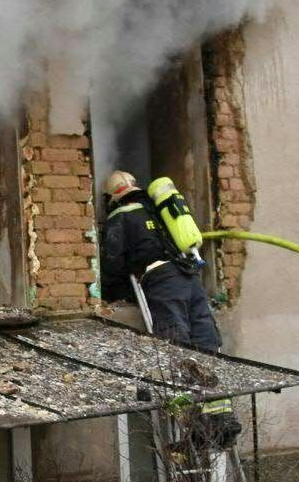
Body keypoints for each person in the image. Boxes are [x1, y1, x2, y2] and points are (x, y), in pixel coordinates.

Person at [99, 169, 237, 439]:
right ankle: (221, 417)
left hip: (163, 282)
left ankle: (193, 426)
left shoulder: (120, 216)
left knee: (177, 348)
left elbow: (112, 263)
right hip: (191, 280)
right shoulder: (161, 213)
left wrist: (113, 291)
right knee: (207, 346)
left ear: (112, 197)